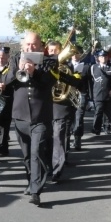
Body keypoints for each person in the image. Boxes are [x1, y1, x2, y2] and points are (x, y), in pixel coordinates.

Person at [0, 31, 56, 206]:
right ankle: (31, 181)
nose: (30, 48)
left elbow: (49, 81)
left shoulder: (50, 61)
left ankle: (35, 191)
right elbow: (5, 79)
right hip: (20, 115)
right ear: (23, 45)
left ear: (40, 46)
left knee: (36, 152)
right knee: (26, 155)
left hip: (40, 115)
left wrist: (34, 73)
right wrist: (18, 68)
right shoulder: (16, 59)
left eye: (33, 45)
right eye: (27, 45)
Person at [46, 39, 82, 182]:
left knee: (58, 138)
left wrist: (58, 76)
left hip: (61, 107)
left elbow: (75, 83)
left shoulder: (68, 67)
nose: (52, 53)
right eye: (50, 51)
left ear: (60, 52)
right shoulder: (43, 65)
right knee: (47, 139)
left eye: (55, 51)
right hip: (45, 107)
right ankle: (49, 166)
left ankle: (57, 170)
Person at [91, 50, 111, 137]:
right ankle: (96, 128)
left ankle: (107, 127)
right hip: (98, 93)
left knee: (107, 112)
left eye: (105, 57)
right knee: (98, 111)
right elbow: (91, 81)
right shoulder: (93, 67)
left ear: (108, 58)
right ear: (98, 58)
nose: (103, 58)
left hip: (108, 93)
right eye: (102, 57)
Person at [69, 44, 91, 150]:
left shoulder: (86, 67)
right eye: (73, 53)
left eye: (77, 53)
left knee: (78, 118)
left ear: (80, 54)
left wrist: (90, 99)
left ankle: (77, 139)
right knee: (68, 118)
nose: (74, 55)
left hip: (81, 94)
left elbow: (88, 84)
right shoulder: (66, 65)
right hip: (67, 95)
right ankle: (67, 138)